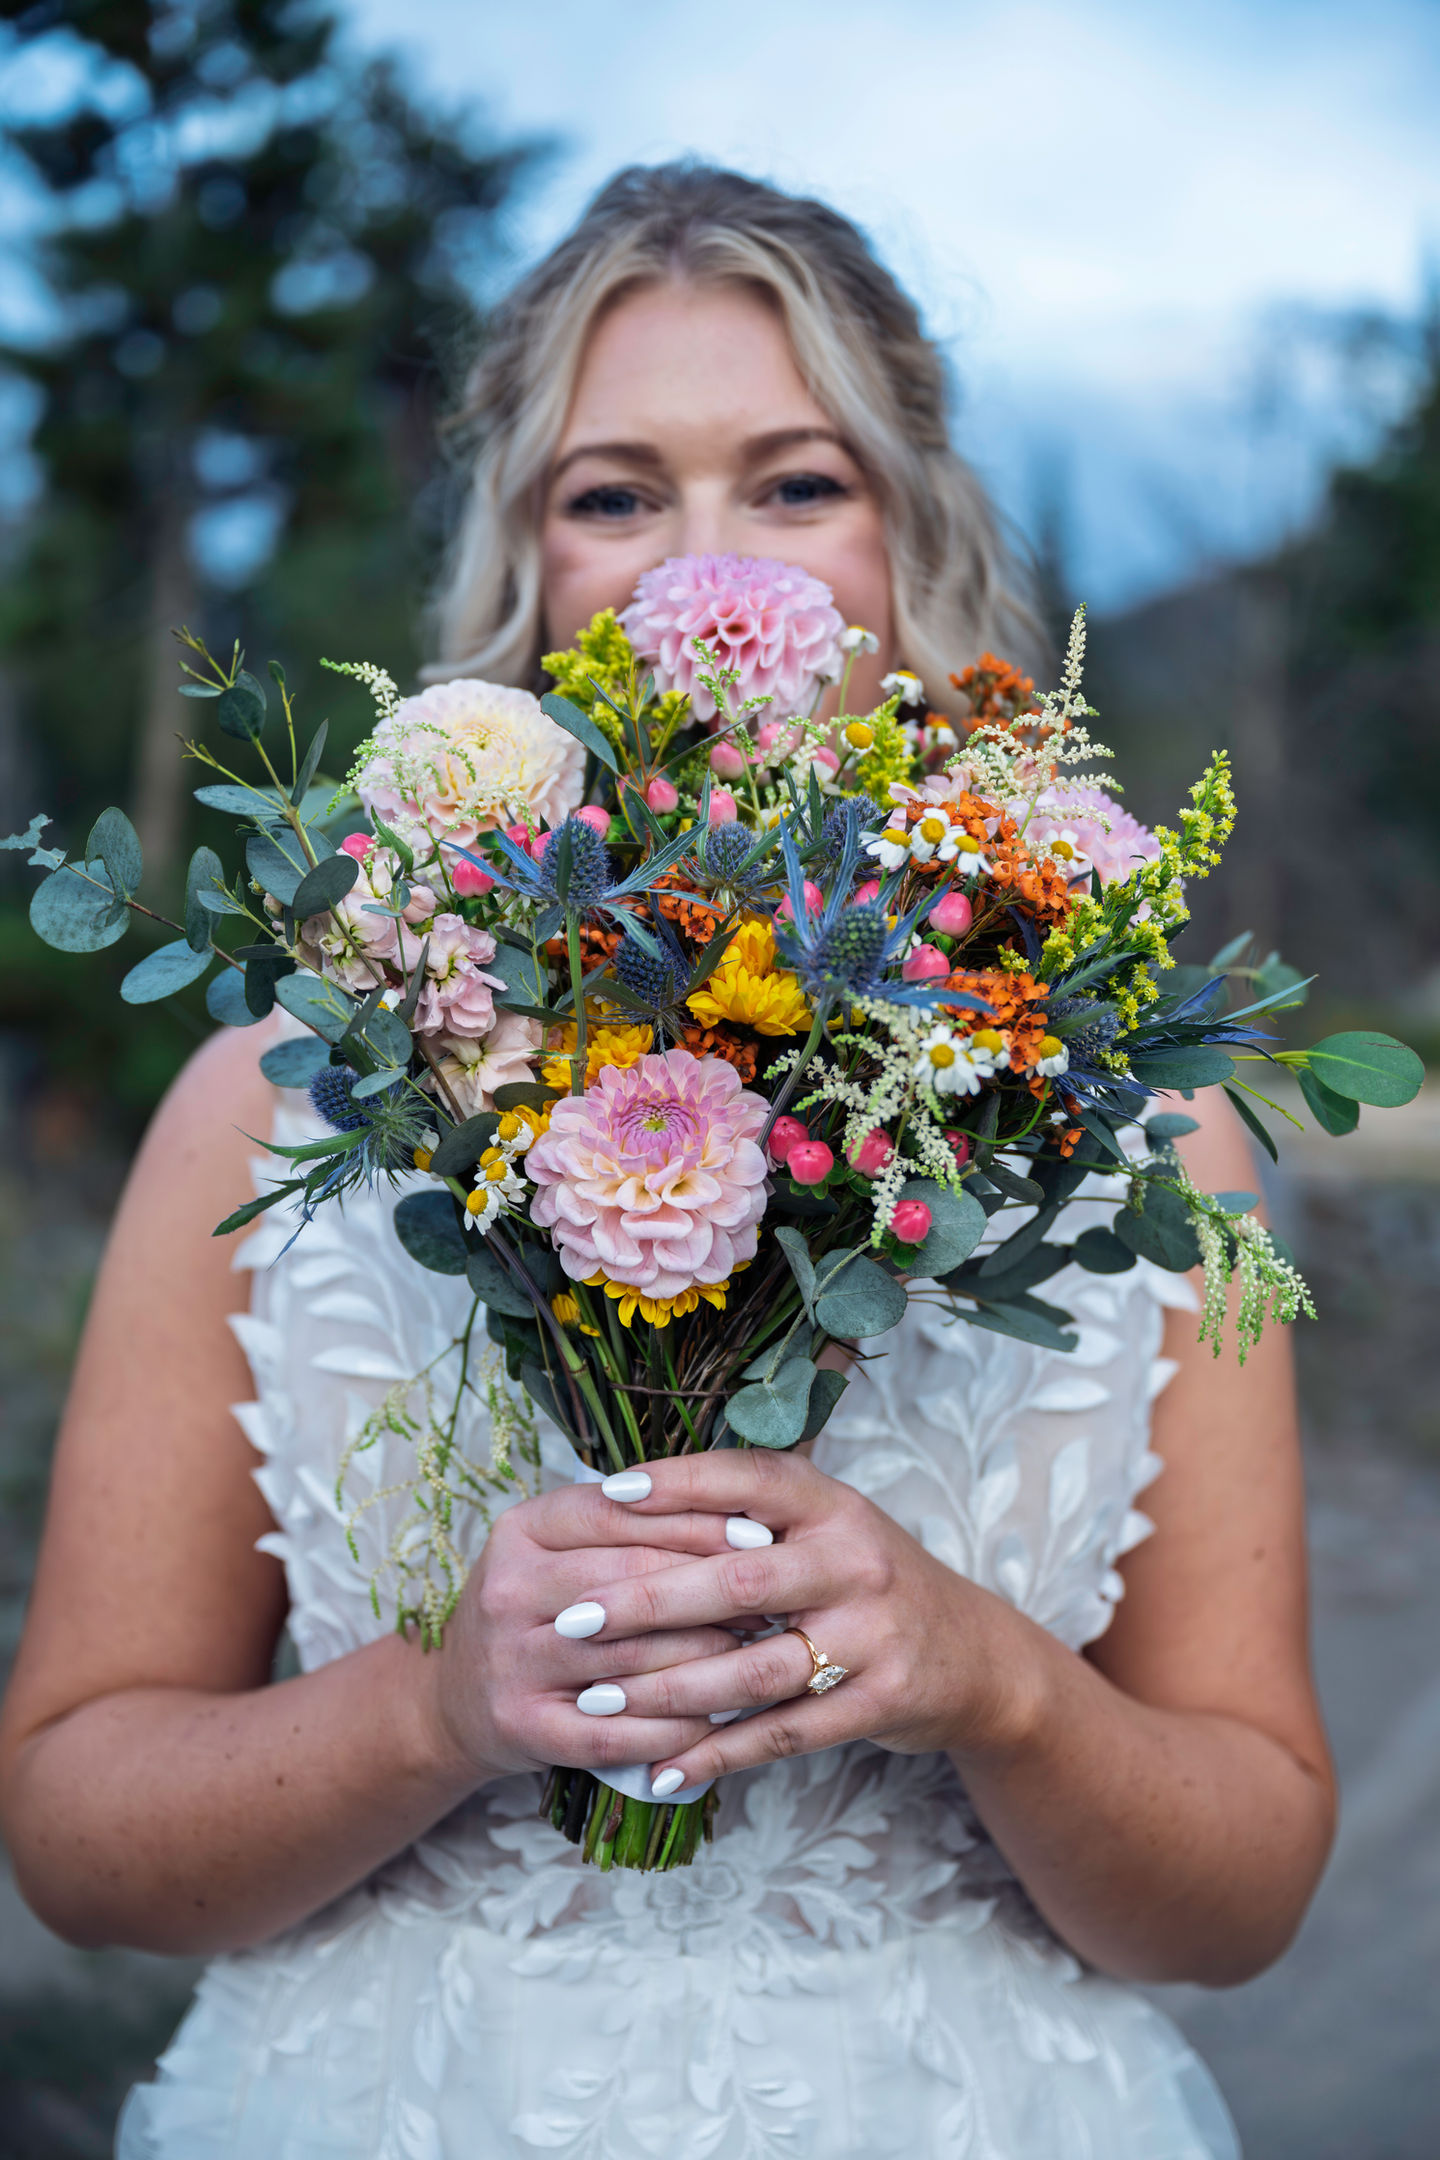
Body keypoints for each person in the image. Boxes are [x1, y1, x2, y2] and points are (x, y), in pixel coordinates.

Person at [0, 164, 1333, 2159]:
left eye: (800, 485)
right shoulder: (280, 1094)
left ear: (911, 540)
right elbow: (79, 1843)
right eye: (615, 494)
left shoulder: (1140, 1116)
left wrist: (1001, 1683)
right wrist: (436, 1713)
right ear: (527, 565)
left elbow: (1239, 1904)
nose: (722, 576)